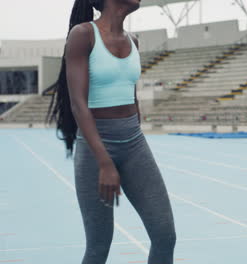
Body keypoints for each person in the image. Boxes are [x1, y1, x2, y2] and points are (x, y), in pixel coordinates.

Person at [46, 0, 176, 263]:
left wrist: (134, 138)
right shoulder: (83, 35)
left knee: (165, 235)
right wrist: (104, 162)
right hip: (96, 149)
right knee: (98, 245)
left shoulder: (134, 41)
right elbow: (78, 104)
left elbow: (132, 96)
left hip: (134, 144)